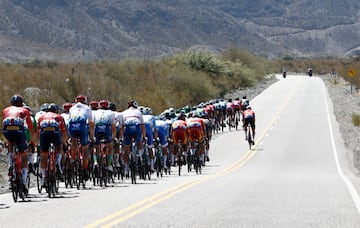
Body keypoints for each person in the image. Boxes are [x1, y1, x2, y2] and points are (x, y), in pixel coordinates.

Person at [2, 95, 36, 193]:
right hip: (19, 131)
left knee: (11, 142)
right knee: (24, 154)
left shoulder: (5, 110)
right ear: (21, 103)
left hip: (7, 129)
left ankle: (10, 163)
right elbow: (30, 127)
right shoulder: (25, 111)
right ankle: (24, 181)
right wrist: (33, 139)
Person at [37, 103, 67, 185]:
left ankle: (43, 177)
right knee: (59, 147)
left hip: (44, 134)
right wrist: (64, 143)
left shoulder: (41, 117)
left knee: (44, 154)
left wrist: (38, 143)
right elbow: (64, 132)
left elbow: (38, 132)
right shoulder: (59, 117)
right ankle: (57, 162)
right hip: (55, 133)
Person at [68, 95, 95, 180]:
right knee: (85, 149)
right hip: (82, 126)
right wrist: (91, 137)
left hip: (72, 126)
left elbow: (69, 121)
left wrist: (70, 137)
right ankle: (85, 169)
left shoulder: (71, 108)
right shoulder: (87, 108)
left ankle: (72, 159)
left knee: (74, 142)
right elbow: (91, 124)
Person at [120, 100, 146, 177]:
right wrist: (144, 137)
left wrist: (121, 137)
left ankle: (126, 169)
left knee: (126, 150)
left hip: (127, 129)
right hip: (136, 128)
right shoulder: (138, 112)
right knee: (139, 142)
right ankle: (139, 155)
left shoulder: (123, 112)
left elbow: (122, 126)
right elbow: (142, 126)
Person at [92, 99, 116, 172]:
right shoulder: (111, 113)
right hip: (107, 129)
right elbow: (113, 126)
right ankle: (109, 165)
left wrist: (92, 136)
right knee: (110, 146)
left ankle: (95, 162)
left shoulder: (94, 113)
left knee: (96, 147)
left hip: (97, 129)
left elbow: (92, 125)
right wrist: (113, 138)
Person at [142, 107, 158, 172]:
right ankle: (151, 166)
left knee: (140, 145)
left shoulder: (141, 116)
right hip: (149, 131)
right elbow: (155, 129)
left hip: (141, 128)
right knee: (150, 148)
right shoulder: (152, 117)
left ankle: (139, 158)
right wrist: (156, 138)